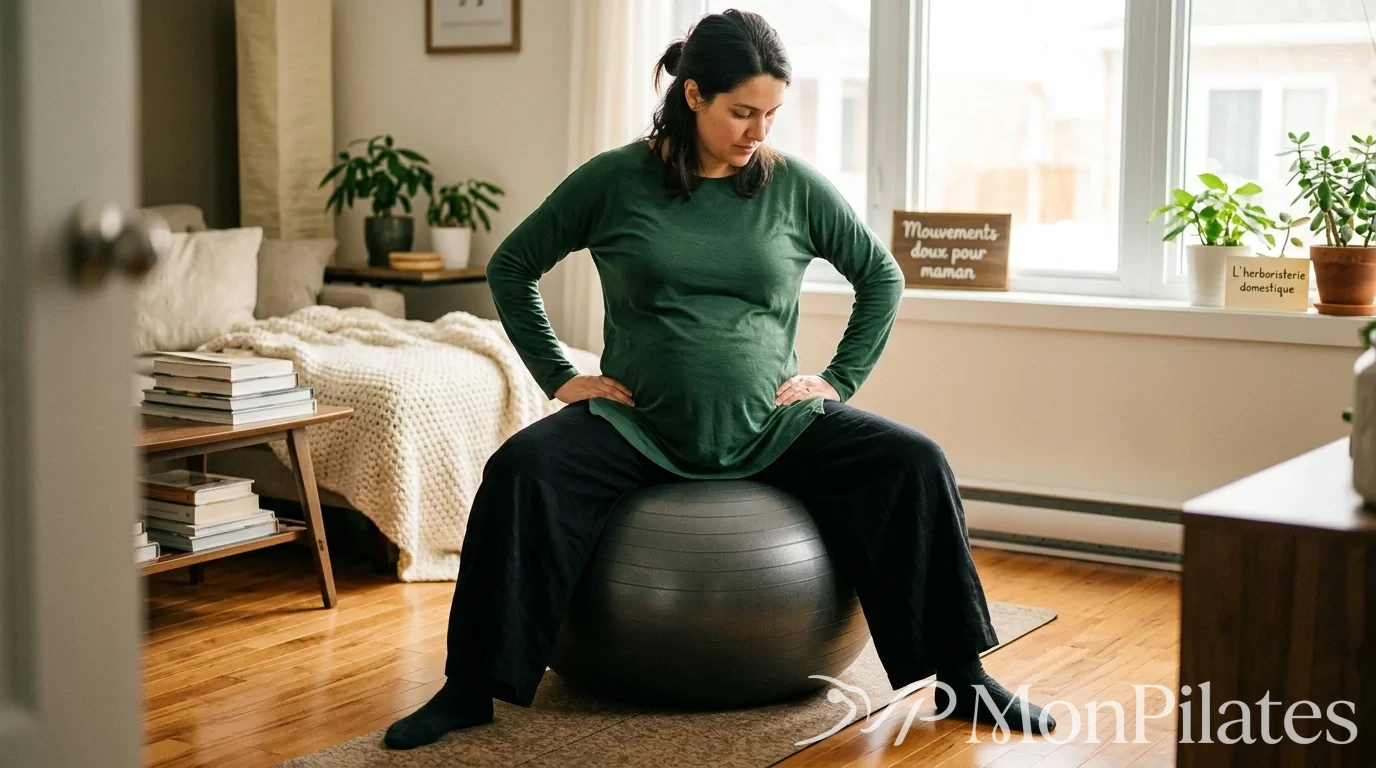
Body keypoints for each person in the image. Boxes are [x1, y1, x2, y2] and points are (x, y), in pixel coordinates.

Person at [383, 9, 1055, 751]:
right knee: (520, 469)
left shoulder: (792, 186)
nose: (757, 131)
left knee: (914, 462)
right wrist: (557, 375)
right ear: (693, 94)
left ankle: (963, 677)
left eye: (770, 113)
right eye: (742, 112)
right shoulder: (615, 180)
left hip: (776, 425)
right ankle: (468, 688)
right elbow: (512, 266)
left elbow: (880, 276)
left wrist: (838, 380)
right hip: (636, 425)